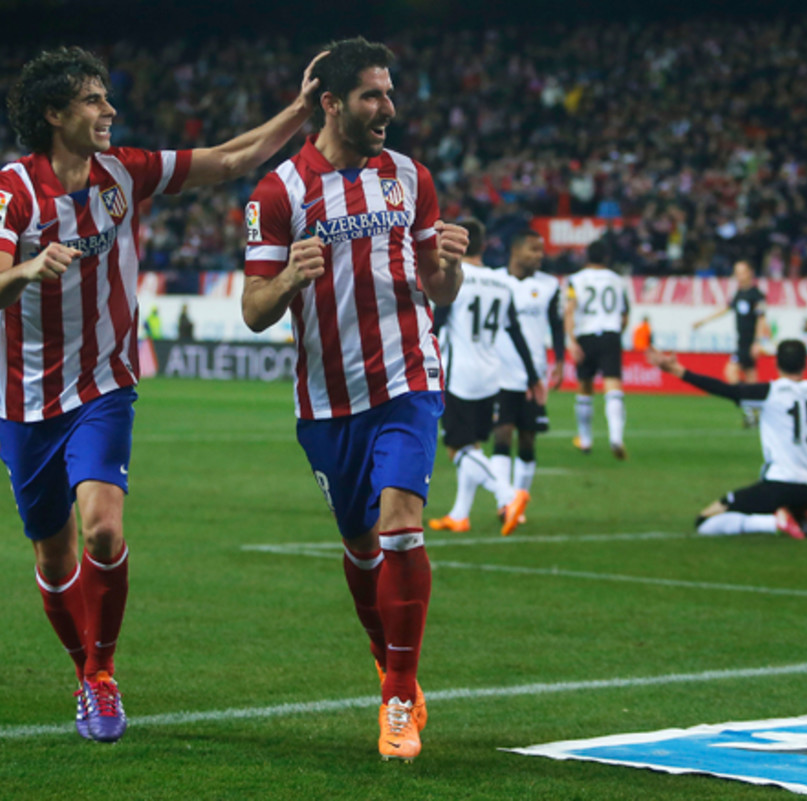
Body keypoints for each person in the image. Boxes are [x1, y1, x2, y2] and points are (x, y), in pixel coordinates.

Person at [0, 45, 326, 743]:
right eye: (93, 100)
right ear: (54, 113)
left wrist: (298, 110)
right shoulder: (9, 190)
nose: (109, 111)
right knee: (52, 556)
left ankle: (101, 674)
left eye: (106, 97)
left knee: (103, 526)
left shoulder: (124, 171)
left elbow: (227, 158)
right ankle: (85, 672)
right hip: (26, 399)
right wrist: (29, 267)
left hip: (105, 383)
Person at [241, 36, 468, 763]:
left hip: (409, 379)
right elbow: (253, 309)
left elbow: (438, 287)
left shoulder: (410, 178)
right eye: (373, 95)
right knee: (362, 545)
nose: (388, 109)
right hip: (327, 401)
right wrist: (288, 281)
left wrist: (453, 269)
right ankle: (387, 653)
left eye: (390, 93)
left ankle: (399, 692)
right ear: (332, 103)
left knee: (402, 524)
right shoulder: (279, 192)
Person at [647, 338, 807, 539]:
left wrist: (678, 370)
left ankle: (774, 522)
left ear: (776, 364)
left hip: (779, 486)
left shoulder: (770, 392)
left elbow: (723, 389)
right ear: (805, 364)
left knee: (705, 521)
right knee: (794, 499)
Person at [427, 219, 538, 536]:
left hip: (460, 374)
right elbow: (514, 332)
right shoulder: (500, 283)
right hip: (492, 375)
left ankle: (508, 494)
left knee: (459, 449)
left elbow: (438, 324)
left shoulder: (455, 279)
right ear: (485, 245)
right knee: (472, 445)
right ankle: (460, 514)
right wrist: (532, 376)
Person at [491, 228, 564, 514]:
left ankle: (519, 502)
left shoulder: (549, 285)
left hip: (534, 372)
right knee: (502, 433)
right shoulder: (494, 281)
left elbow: (556, 325)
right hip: (499, 372)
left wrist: (559, 361)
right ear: (515, 251)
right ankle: (503, 501)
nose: (539, 256)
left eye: (541, 251)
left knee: (528, 437)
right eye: (533, 250)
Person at [564, 237, 630, 459]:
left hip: (586, 335)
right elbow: (625, 314)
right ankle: (616, 437)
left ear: (586, 257)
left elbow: (570, 310)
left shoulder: (575, 280)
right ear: (607, 258)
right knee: (613, 387)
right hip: (610, 334)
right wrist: (616, 331)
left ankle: (585, 439)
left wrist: (571, 341)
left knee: (584, 389)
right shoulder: (617, 280)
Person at [692, 260, 771, 427]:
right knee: (752, 381)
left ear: (750, 273)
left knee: (730, 372)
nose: (739, 276)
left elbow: (761, 319)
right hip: (741, 342)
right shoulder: (738, 294)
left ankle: (748, 409)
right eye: (736, 272)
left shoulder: (757, 295)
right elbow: (725, 309)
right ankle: (758, 413)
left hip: (749, 344)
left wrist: (757, 342)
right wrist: (703, 320)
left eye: (741, 272)